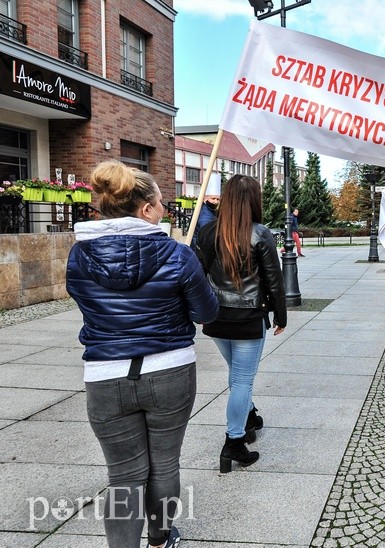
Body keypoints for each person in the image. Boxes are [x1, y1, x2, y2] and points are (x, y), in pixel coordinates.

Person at [66, 160, 219, 548]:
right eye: (162, 203)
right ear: (146, 209)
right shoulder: (177, 255)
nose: (165, 209)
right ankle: (160, 539)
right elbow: (207, 313)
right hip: (169, 371)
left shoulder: (78, 257)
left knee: (123, 476)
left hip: (105, 375)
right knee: (165, 464)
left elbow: (87, 303)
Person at [195, 175, 288, 473]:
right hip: (248, 318)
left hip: (217, 317)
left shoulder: (208, 231)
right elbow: (274, 279)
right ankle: (234, 441)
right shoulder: (261, 234)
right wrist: (281, 315)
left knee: (237, 375)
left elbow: (199, 274)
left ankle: (248, 417)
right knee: (242, 380)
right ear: (254, 200)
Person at [190, 173, 221, 248]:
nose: (216, 202)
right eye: (213, 198)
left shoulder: (211, 210)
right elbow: (206, 233)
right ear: (205, 198)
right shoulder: (204, 214)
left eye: (218, 199)